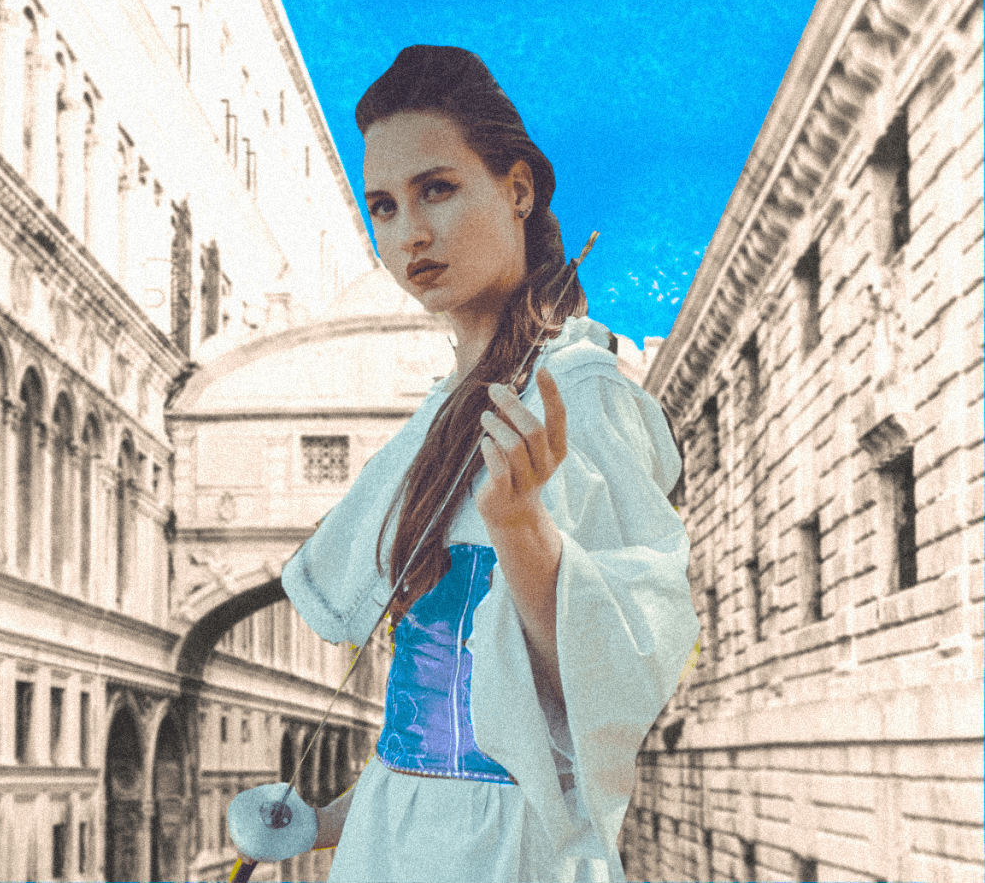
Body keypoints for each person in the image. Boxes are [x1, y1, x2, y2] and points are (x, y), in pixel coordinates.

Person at [275, 44, 699, 882]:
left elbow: (601, 690)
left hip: (505, 852)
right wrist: (321, 824)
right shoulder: (436, 416)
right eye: (384, 206)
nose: (410, 233)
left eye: (437, 188)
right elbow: (426, 735)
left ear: (518, 189)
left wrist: (520, 527)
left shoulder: (577, 390)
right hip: (393, 842)